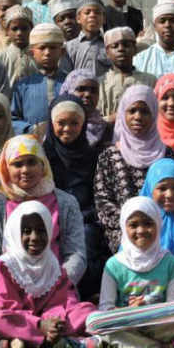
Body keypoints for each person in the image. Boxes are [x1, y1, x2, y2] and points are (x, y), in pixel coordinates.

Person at [0, 201, 97, 348]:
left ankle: (36, 342)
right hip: (23, 322)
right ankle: (53, 342)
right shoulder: (4, 266)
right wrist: (40, 324)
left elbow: (62, 299)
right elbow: (8, 306)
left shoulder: (52, 264)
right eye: (27, 231)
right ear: (16, 233)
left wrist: (54, 322)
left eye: (41, 230)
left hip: (50, 322)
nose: (34, 237)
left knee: (85, 309)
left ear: (49, 231)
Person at [86, 197, 174, 348]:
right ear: (124, 228)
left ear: (158, 225)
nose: (141, 230)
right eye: (133, 225)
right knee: (94, 321)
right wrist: (131, 312)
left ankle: (128, 344)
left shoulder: (170, 262)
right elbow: (106, 308)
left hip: (159, 322)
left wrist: (145, 306)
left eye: (148, 223)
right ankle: (159, 347)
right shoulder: (114, 264)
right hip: (126, 322)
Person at [0, 135, 87, 287]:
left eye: (31, 162)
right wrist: (14, 283)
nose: (25, 170)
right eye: (17, 164)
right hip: (9, 288)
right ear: (6, 169)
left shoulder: (66, 202)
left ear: (43, 165)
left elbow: (76, 253)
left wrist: (57, 283)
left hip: (57, 287)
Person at [95, 85, 173, 254]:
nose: (138, 117)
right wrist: (132, 225)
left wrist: (153, 225)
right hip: (123, 230)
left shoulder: (166, 153)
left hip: (163, 228)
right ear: (123, 114)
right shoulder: (109, 155)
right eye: (132, 111)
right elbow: (103, 201)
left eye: (145, 112)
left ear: (154, 114)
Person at [43, 95, 106, 299]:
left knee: (87, 236)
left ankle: (86, 295)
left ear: (83, 125)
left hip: (86, 218)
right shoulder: (42, 157)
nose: (68, 129)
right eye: (61, 123)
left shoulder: (93, 157)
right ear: (52, 124)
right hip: (50, 218)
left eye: (74, 123)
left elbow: (98, 195)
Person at [11, 23, 68, 135]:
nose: (47, 53)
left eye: (52, 48)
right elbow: (13, 118)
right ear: (32, 53)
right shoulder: (23, 86)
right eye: (42, 48)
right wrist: (32, 129)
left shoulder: (70, 81)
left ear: (62, 52)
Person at [99, 27, 156, 118]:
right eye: (115, 46)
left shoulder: (150, 80)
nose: (121, 49)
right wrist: (111, 119)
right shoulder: (100, 83)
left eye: (126, 45)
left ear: (134, 49)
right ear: (107, 52)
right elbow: (95, 119)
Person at [59, 69, 112, 148]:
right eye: (81, 89)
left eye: (94, 91)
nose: (88, 94)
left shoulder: (106, 130)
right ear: (68, 92)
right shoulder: (57, 127)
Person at [133, 2, 174, 78]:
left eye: (173, 20)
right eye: (162, 21)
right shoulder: (141, 59)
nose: (167, 25)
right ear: (154, 26)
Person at [63, 0, 109, 77]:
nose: (92, 15)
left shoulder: (109, 45)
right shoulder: (69, 47)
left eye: (97, 12)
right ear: (78, 18)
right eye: (87, 12)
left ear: (104, 18)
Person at [0, 5, 36, 86]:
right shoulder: (0, 57)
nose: (19, 33)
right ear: (7, 31)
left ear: (31, 29)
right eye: (14, 29)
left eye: (24, 28)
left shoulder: (37, 55)